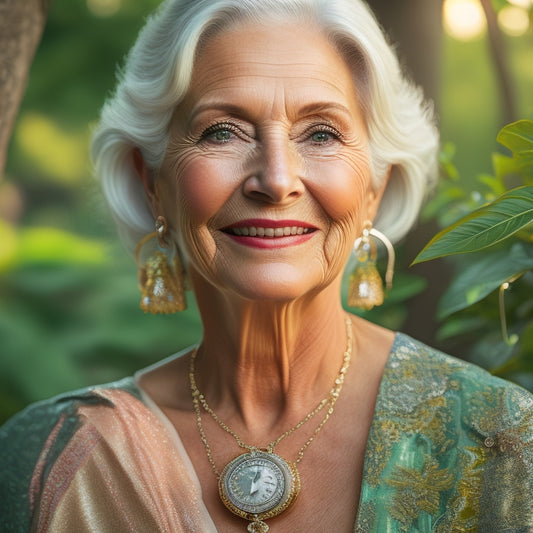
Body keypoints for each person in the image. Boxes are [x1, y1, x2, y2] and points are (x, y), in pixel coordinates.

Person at [1, 0, 532, 531]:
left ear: (375, 186)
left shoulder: (501, 443)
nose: (276, 180)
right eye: (223, 131)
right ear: (151, 181)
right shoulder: (48, 462)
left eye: (321, 133)